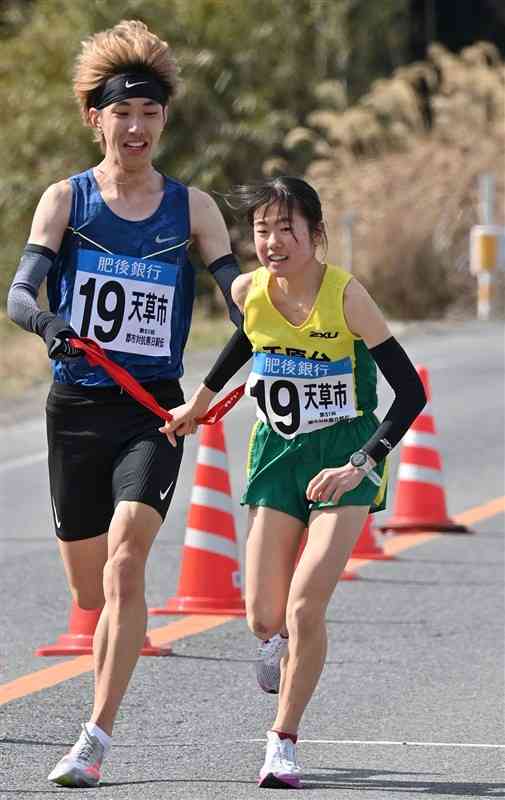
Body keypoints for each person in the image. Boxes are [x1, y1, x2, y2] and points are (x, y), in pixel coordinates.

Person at [7, 20, 242, 788]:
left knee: (126, 560)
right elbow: (18, 293)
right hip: (76, 406)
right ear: (94, 118)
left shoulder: (193, 208)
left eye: (149, 113)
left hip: (155, 410)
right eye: (122, 113)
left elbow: (235, 292)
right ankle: (98, 703)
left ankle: (95, 736)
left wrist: (263, 319)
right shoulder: (66, 200)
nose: (136, 126)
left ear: (162, 121)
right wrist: (49, 323)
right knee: (87, 586)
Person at [160, 176, 427, 789]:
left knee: (307, 605)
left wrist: (360, 463)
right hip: (276, 455)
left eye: (287, 229)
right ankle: (275, 639)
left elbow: (409, 394)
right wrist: (198, 404)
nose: (273, 241)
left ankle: (282, 742)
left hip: (344, 457)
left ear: (315, 234)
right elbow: (244, 341)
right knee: (262, 613)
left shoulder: (347, 296)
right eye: (262, 230)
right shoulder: (250, 289)